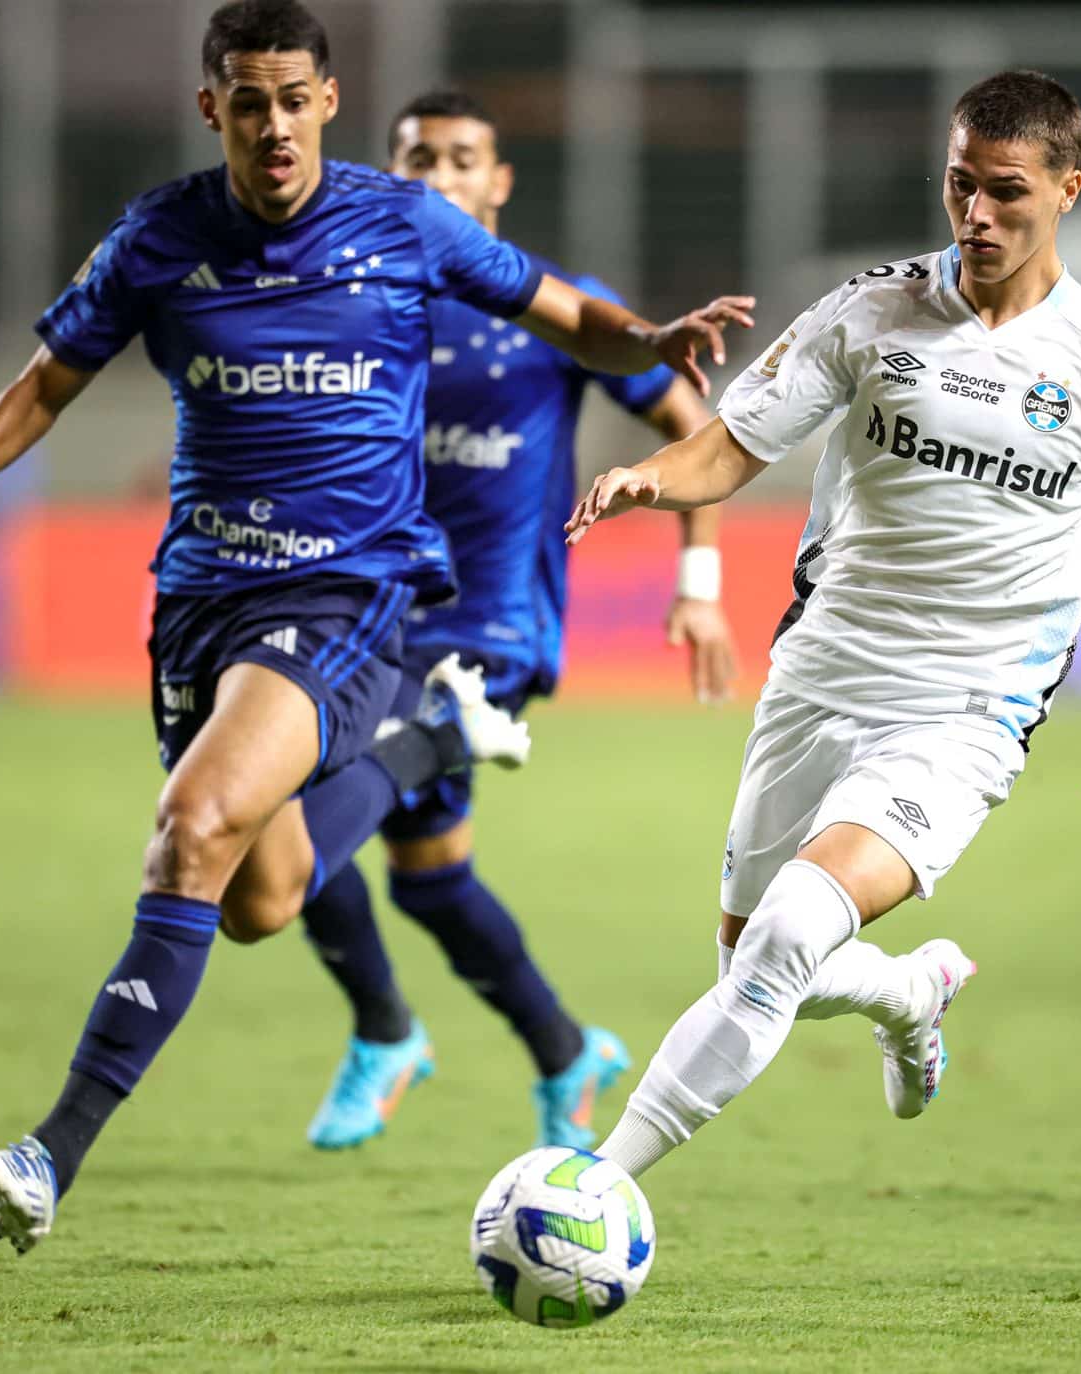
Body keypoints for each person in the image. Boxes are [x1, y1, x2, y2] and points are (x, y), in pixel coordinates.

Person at [0, 0, 750, 1253]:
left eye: (295, 100)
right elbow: (45, 384)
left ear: (328, 103)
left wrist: (649, 341)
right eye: (250, 103)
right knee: (259, 894)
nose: (275, 126)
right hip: (199, 599)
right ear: (213, 109)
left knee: (193, 825)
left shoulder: (402, 224)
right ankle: (427, 754)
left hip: (346, 592)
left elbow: (567, 314)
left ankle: (49, 1153)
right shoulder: (157, 237)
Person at [562, 70, 1081, 1180]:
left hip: (964, 711)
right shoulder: (869, 311)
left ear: (1067, 190)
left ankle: (592, 1187)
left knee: (785, 940)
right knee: (750, 962)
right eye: (960, 184)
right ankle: (908, 991)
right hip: (819, 678)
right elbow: (729, 447)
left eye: (1007, 191)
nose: (977, 214)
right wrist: (650, 478)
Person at [295, 90, 739, 1153]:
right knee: (430, 881)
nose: (440, 176)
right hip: (375, 619)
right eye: (419, 160)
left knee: (290, 807)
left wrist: (700, 580)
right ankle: (562, 1050)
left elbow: (695, 425)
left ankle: (383, 1031)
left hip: (494, 632)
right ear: (394, 177)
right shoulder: (367, 301)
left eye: (462, 159)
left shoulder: (556, 310)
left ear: (497, 182)